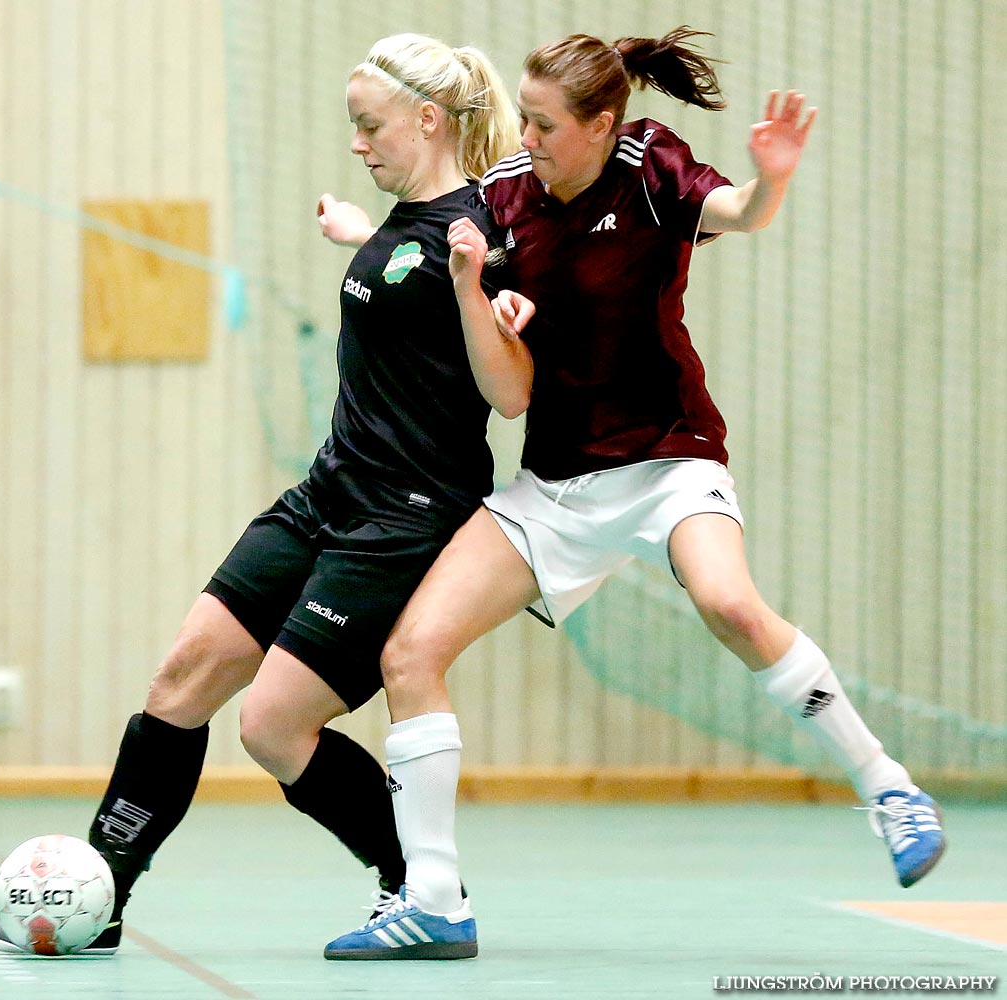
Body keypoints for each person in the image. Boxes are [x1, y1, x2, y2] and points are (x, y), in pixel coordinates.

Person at [323, 28, 946, 960]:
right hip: (555, 486)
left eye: (541, 122)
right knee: (410, 653)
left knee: (730, 604)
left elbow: (739, 211)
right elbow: (457, 268)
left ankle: (886, 785)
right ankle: (435, 898)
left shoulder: (647, 167)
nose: (524, 137)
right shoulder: (504, 198)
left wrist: (771, 181)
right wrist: (383, 247)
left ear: (599, 122)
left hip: (666, 458)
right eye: (521, 118)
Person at [0, 32, 519, 959]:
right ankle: (99, 904)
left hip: (403, 517)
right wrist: (359, 234)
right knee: (183, 676)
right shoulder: (404, 223)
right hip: (328, 492)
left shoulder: (479, 240)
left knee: (270, 725)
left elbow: (496, 345)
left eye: (368, 124)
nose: (356, 141)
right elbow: (401, 278)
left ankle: (419, 885)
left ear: (429, 120)